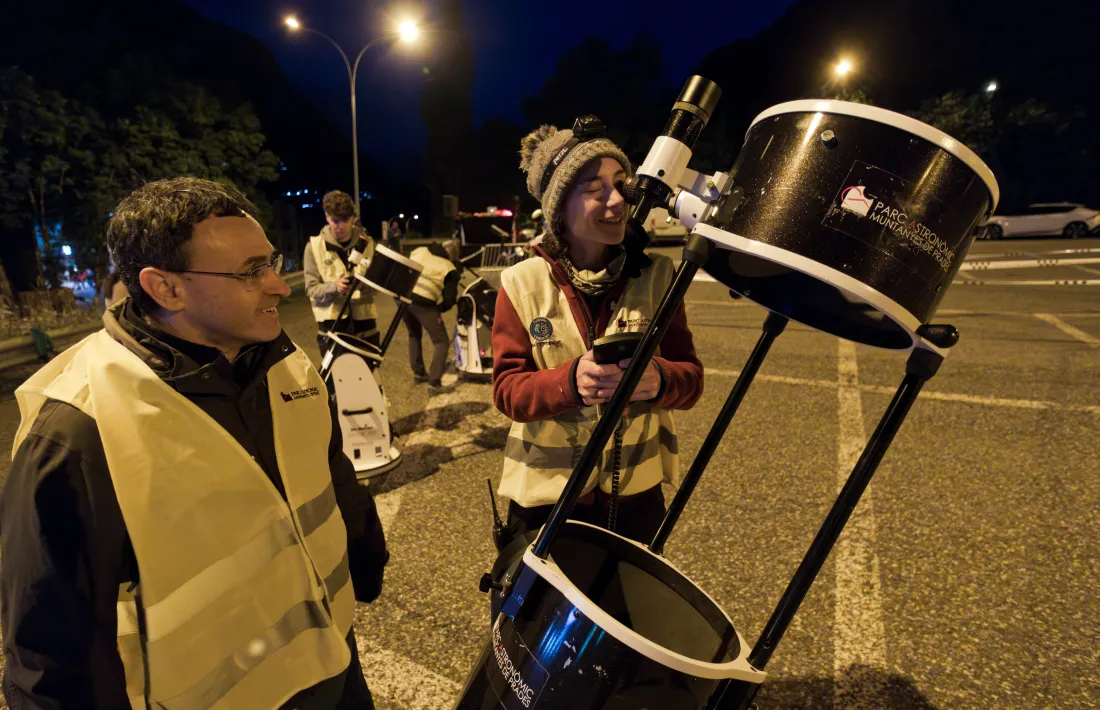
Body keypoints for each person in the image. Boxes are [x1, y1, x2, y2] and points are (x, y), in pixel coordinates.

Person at [1, 178, 388, 710]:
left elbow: (327, 470)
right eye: (252, 271)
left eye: (271, 261)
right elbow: (50, 654)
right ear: (166, 288)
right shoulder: (77, 430)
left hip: (334, 662)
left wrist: (367, 554)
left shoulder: (282, 360)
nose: (280, 285)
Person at [492, 118, 704, 548]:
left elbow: (692, 380)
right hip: (546, 503)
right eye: (594, 189)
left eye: (622, 184)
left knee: (627, 613)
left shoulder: (659, 276)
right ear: (558, 208)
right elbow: (508, 391)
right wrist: (571, 382)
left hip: (637, 502)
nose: (616, 200)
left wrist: (659, 379)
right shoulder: (520, 282)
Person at [304, 190, 379, 357]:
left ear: (354, 218)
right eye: (335, 220)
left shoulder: (367, 244)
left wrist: (363, 286)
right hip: (332, 329)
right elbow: (311, 289)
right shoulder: (313, 247)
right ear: (326, 217)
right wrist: (335, 287)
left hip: (365, 327)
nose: (340, 226)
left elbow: (377, 285)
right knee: (335, 381)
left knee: (368, 380)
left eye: (346, 220)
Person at [405, 239, 460, 393]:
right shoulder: (449, 267)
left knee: (413, 334)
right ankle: (434, 382)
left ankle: (419, 373)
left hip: (401, 296)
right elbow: (449, 298)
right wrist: (438, 309)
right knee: (441, 341)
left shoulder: (420, 250)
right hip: (423, 302)